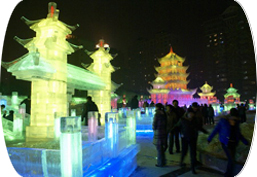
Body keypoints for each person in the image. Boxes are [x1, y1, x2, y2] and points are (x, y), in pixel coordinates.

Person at [207, 108, 249, 177]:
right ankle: (228, 174)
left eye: (235, 118)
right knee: (231, 159)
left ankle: (229, 173)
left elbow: (238, 134)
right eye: (233, 118)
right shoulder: (223, 121)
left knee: (232, 159)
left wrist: (245, 141)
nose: (234, 120)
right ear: (230, 116)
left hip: (234, 143)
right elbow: (216, 130)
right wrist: (209, 138)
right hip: (226, 143)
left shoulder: (236, 123)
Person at [179, 104, 208, 174]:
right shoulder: (183, 120)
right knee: (184, 151)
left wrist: (205, 132)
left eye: (193, 114)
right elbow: (178, 127)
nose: (192, 115)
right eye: (190, 113)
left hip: (193, 138)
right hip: (185, 138)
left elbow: (198, 127)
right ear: (187, 113)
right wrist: (181, 134)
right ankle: (181, 162)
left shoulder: (195, 120)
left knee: (193, 153)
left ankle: (193, 168)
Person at [152, 103, 167, 167]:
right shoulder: (164, 114)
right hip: (163, 131)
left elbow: (154, 123)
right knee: (162, 147)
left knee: (159, 148)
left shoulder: (157, 114)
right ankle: (163, 161)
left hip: (158, 131)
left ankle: (160, 163)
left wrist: (154, 128)